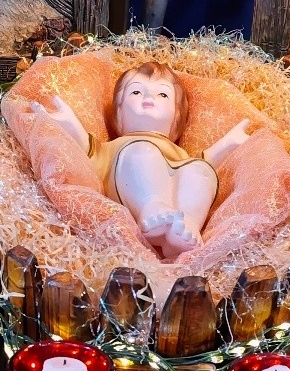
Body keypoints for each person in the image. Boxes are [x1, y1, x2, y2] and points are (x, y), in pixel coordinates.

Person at [28, 61, 253, 260]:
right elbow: (88, 151)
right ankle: (151, 205)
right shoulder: (117, 146)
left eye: (162, 94)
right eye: (136, 92)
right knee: (143, 152)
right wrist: (70, 124)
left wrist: (228, 144)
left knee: (200, 170)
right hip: (139, 201)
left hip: (179, 206)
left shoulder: (179, 154)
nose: (148, 98)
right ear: (118, 112)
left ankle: (187, 224)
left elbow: (205, 164)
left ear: (177, 116)